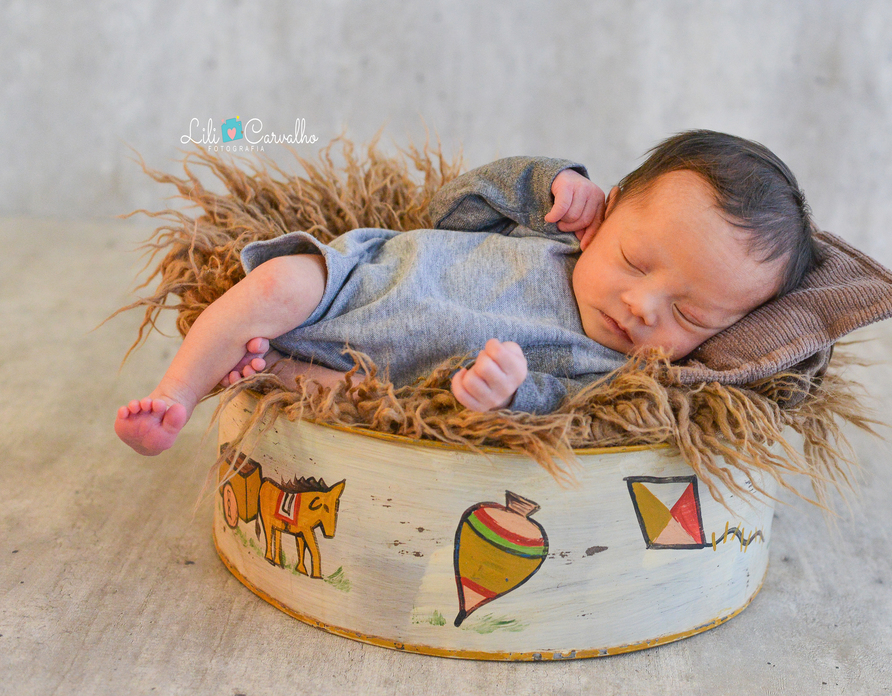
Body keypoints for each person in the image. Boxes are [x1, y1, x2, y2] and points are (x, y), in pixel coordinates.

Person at [115, 130, 816, 456]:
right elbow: (451, 207)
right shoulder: (550, 236)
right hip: (354, 285)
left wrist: (514, 395)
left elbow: (572, 412)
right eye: (635, 261)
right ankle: (177, 394)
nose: (642, 306)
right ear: (611, 212)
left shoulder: (612, 365)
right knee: (278, 280)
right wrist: (546, 183)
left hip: (376, 379)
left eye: (689, 313)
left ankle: (268, 367)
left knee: (344, 406)